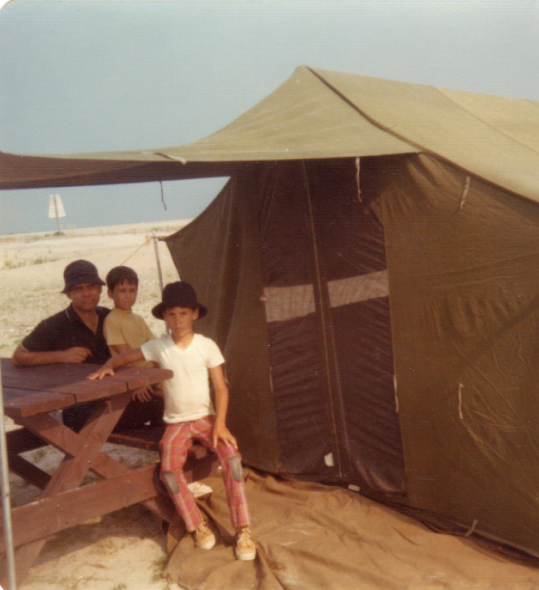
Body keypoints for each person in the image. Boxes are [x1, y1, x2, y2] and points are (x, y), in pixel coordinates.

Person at [88, 281, 257, 561]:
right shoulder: (158, 346)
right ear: (164, 317)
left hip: (206, 420)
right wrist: (108, 365)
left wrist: (221, 424)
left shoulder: (207, 346)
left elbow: (221, 388)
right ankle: (196, 525)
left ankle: (243, 529)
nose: (177, 320)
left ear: (195, 315)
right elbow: (124, 357)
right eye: (171, 314)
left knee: (232, 459)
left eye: (183, 314)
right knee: (168, 470)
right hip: (176, 424)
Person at [11, 259, 112, 430]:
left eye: (91, 287)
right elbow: (18, 357)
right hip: (79, 409)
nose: (86, 293)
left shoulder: (109, 316)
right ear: (68, 294)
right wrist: (62, 355)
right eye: (78, 289)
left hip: (115, 398)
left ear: (100, 289)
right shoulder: (55, 325)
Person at [103, 265, 163, 423]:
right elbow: (123, 357)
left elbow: (155, 348)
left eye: (132, 290)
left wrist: (162, 372)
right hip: (133, 377)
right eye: (122, 291)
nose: (128, 296)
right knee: (167, 401)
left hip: (151, 374)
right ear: (110, 293)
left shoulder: (138, 319)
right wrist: (139, 383)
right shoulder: (112, 320)